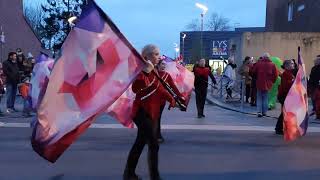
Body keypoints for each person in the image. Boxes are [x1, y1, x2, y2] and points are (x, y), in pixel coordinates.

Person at [123, 44, 176, 180]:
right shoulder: (141, 69)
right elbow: (136, 87)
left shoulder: (154, 71)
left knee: (140, 143)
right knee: (153, 143)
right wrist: (146, 71)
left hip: (151, 112)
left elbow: (159, 89)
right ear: (146, 56)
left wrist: (173, 100)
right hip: (141, 112)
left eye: (159, 54)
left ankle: (129, 174)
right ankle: (155, 176)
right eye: (156, 54)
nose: (159, 57)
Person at [157, 60, 184, 143]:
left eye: (164, 64)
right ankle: (154, 135)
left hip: (162, 100)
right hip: (152, 100)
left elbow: (173, 86)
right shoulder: (153, 74)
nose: (163, 66)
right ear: (157, 65)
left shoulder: (167, 75)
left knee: (157, 118)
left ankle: (157, 135)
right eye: (162, 64)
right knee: (153, 118)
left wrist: (180, 96)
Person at [251, 53, 278, 117]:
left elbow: (253, 72)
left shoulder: (259, 64)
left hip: (259, 83)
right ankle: (264, 112)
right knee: (266, 98)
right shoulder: (272, 65)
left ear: (263, 57)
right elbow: (276, 75)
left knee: (259, 98)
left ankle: (259, 112)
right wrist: (272, 81)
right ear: (269, 58)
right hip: (268, 84)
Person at [275, 60, 295, 135]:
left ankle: (281, 128)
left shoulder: (289, 73)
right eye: (292, 64)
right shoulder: (286, 74)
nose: (293, 65)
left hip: (287, 95)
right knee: (284, 113)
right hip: (284, 95)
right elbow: (286, 86)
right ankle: (279, 128)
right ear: (287, 66)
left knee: (285, 112)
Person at [309, 56, 320, 120]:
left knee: (318, 101)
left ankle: (318, 114)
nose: (315, 61)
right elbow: (311, 77)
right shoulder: (313, 68)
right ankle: (316, 112)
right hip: (313, 87)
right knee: (314, 100)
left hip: (318, 87)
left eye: (317, 60)